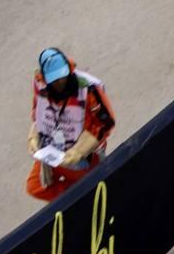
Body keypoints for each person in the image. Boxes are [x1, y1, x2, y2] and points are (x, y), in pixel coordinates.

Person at [25, 48, 116, 202]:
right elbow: (38, 111)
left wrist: (79, 151)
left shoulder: (89, 88)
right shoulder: (40, 85)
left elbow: (105, 123)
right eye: (54, 79)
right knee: (34, 186)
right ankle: (76, 199)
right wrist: (33, 136)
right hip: (52, 148)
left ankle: (84, 196)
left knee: (89, 183)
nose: (59, 82)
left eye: (62, 76)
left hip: (83, 155)